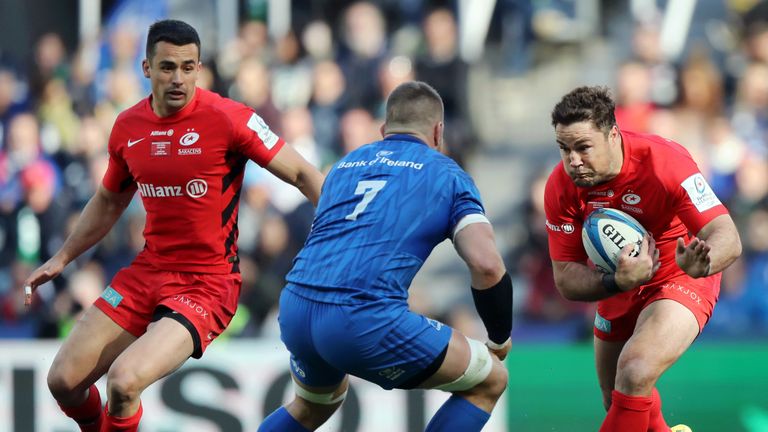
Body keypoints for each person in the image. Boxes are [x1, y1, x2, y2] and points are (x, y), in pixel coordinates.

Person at [22, 19, 324, 432]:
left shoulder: (229, 118)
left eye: (188, 67)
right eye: (167, 67)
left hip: (208, 283)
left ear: (199, 68)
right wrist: (62, 257)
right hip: (149, 271)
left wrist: (347, 237)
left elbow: (305, 175)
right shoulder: (128, 127)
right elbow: (109, 199)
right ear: (146, 68)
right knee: (63, 381)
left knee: (124, 382)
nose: (178, 78)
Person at [258, 81, 512, 432]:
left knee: (312, 406)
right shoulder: (447, 173)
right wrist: (499, 336)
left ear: (383, 130)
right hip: (361, 320)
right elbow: (487, 265)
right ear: (438, 132)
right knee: (490, 380)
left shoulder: (344, 165)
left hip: (297, 308)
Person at [544, 86, 742, 432]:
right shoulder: (560, 186)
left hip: (678, 274)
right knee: (615, 397)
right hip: (619, 280)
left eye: (583, 147)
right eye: (564, 149)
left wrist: (704, 261)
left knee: (634, 372)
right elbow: (565, 278)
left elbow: (727, 235)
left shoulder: (664, 161)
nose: (573, 160)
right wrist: (617, 281)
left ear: (613, 135)